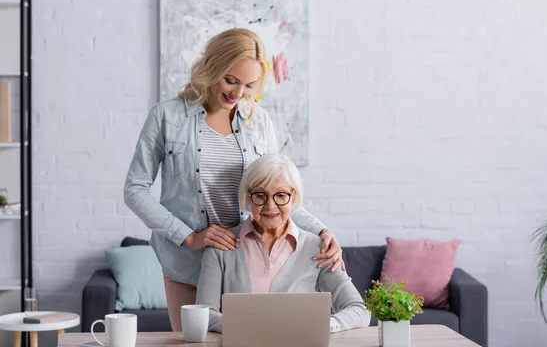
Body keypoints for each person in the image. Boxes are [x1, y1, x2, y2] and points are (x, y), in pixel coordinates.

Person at [123, 28, 345, 331]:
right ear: (212, 66)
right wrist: (189, 236)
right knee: (195, 342)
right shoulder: (166, 117)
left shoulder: (259, 122)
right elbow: (135, 190)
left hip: (245, 263)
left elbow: (276, 193)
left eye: (249, 85)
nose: (238, 93)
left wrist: (321, 231)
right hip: (186, 264)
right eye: (231, 80)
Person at [196, 154, 370, 333]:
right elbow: (203, 314)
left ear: (294, 197)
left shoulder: (319, 249)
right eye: (260, 195)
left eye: (280, 195)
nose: (270, 206)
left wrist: (326, 325)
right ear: (249, 197)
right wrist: (255, 329)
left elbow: (359, 310)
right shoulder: (220, 248)